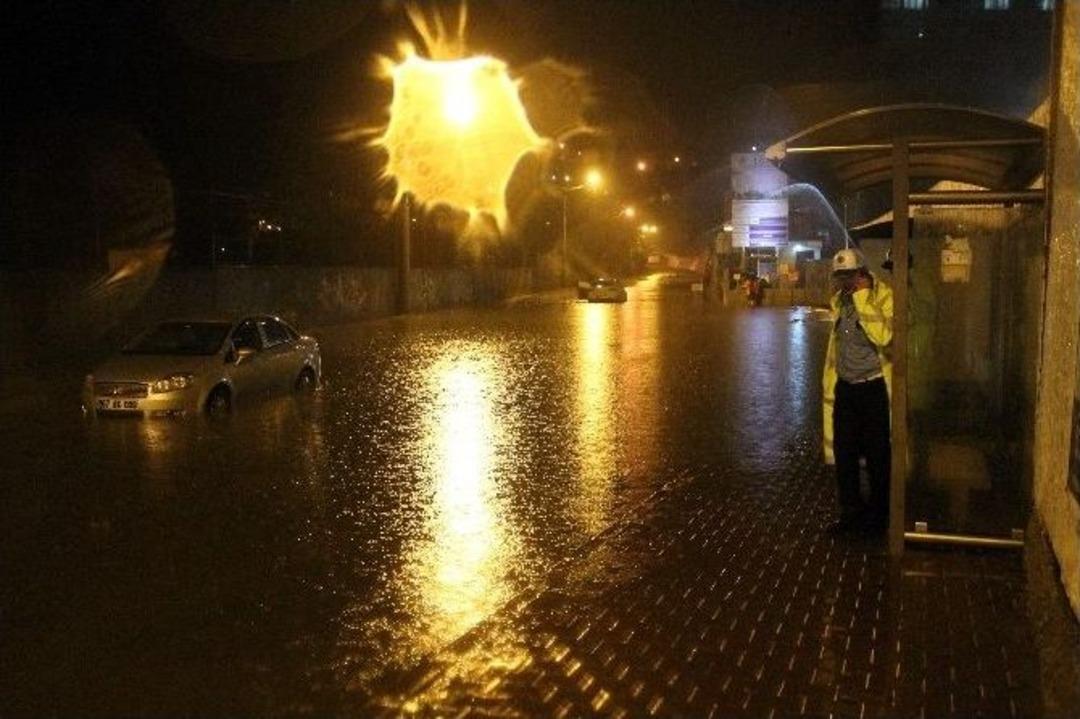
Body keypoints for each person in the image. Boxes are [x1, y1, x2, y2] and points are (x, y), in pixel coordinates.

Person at [822, 247, 894, 534]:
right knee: (845, 456)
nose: (844, 282)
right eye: (840, 276)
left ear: (863, 273)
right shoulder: (840, 301)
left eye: (849, 276)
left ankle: (879, 517)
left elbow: (884, 336)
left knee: (878, 457)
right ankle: (850, 514)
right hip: (846, 390)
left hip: (873, 388)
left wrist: (863, 296)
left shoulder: (883, 296)